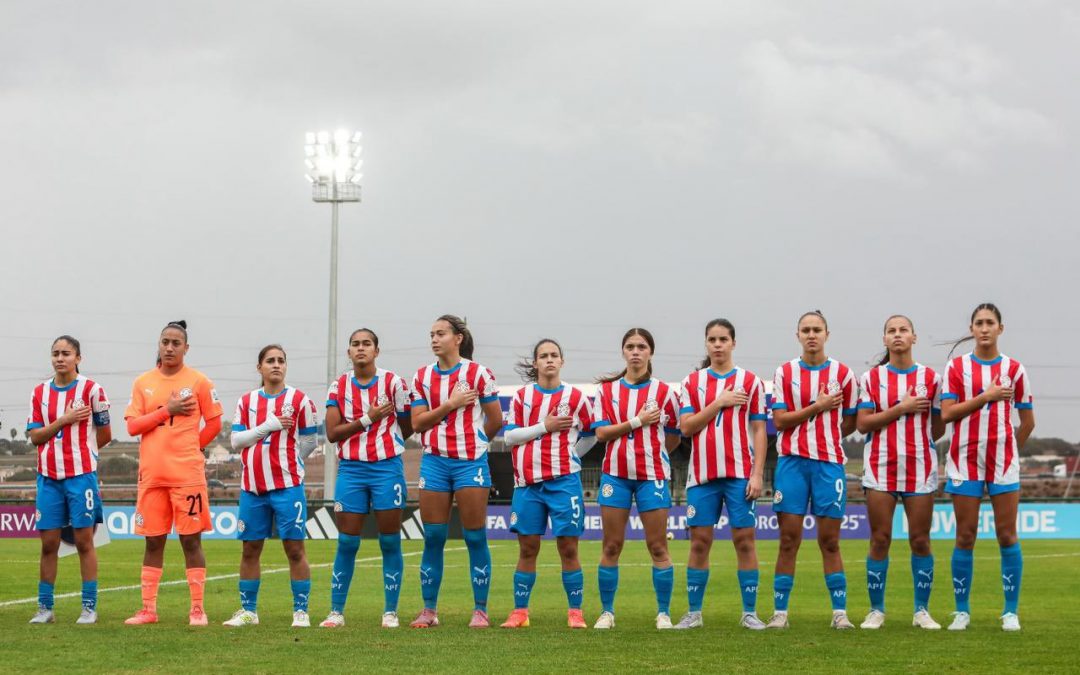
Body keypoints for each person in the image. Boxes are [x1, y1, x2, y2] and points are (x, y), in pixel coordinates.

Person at [940, 303, 1034, 632]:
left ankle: (1010, 612)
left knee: (1007, 535)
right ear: (971, 329)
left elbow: (1027, 422)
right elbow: (947, 415)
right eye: (978, 323)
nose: (983, 328)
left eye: (989, 323)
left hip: (1002, 463)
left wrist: (1008, 448)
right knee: (965, 536)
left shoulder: (1015, 370)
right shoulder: (956, 368)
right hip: (964, 460)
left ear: (1000, 329)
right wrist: (986, 396)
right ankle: (961, 611)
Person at [124, 320, 223, 626]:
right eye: (164, 342)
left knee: (191, 542)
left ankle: (197, 609)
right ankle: (148, 610)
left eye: (175, 343)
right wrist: (167, 410)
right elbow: (132, 426)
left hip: (186, 476)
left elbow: (215, 423)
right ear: (159, 344)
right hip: (152, 476)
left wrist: (195, 449)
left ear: (186, 348)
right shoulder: (143, 383)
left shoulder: (200, 382)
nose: (169, 347)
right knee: (153, 543)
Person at [408, 315, 503, 628]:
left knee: (474, 537)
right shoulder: (421, 376)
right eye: (431, 334)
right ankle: (429, 610)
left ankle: (480, 610)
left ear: (458, 338)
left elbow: (495, 420)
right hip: (435, 462)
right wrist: (450, 404)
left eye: (440, 333)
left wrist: (476, 443)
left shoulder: (478, 373)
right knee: (434, 537)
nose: (434, 339)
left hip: (469, 463)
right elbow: (417, 423)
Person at [674, 319, 768, 630]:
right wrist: (719, 402)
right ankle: (694, 614)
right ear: (706, 344)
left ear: (733, 343)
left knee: (744, 541)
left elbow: (759, 430)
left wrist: (757, 474)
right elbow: (686, 427)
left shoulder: (751, 381)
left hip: (740, 474)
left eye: (723, 339)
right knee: (699, 542)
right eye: (712, 339)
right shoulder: (692, 382)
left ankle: (749, 613)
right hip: (702, 476)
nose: (717, 344)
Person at [768, 310, 858, 630]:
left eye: (816, 330)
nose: (811, 335)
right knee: (789, 540)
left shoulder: (843, 374)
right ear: (797, 336)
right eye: (805, 330)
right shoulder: (784, 372)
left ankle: (839, 614)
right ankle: (780, 613)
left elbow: (849, 421)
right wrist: (817, 408)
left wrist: (826, 434)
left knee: (830, 541)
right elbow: (779, 421)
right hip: (792, 463)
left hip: (828, 465)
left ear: (827, 334)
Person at [499, 339, 596, 629]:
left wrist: (570, 457)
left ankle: (575, 612)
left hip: (564, 483)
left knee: (568, 547)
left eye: (554, 355)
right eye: (544, 356)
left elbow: (591, 435)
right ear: (535, 363)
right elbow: (509, 437)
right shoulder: (522, 397)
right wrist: (545, 426)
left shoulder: (576, 397)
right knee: (528, 548)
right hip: (527, 484)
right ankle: (520, 612)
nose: (549, 360)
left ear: (562, 362)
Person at [320, 328, 413, 629]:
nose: (361, 348)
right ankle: (336, 612)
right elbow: (333, 434)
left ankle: (390, 612)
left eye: (367, 344)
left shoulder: (394, 382)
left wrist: (388, 441)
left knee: (390, 542)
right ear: (348, 352)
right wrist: (368, 419)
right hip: (352, 470)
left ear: (376, 350)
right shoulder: (338, 386)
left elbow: (407, 424)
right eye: (355, 344)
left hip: (387, 467)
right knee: (347, 543)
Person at [856, 315, 945, 630]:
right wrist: (901, 409)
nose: (897, 335)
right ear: (884, 340)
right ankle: (876, 610)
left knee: (920, 540)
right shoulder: (871, 379)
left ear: (914, 337)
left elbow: (937, 426)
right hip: (880, 468)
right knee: (880, 539)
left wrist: (917, 442)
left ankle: (922, 611)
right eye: (891, 331)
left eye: (903, 330)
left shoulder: (931, 379)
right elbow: (862, 423)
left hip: (919, 469)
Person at [591, 328, 682, 630]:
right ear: (623, 352)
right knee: (612, 546)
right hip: (615, 476)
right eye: (629, 346)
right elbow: (602, 434)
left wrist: (654, 454)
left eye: (641, 346)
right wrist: (638, 422)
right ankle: (607, 612)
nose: (635, 351)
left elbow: (673, 437)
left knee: (657, 546)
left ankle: (664, 613)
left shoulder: (665, 392)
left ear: (650, 353)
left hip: (652, 476)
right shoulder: (607, 391)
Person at [224, 345, 319, 628]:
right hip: (252, 488)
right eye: (270, 361)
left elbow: (310, 441)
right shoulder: (247, 401)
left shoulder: (300, 400)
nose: (276, 365)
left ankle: (301, 611)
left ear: (286, 366)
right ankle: (248, 611)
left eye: (281, 361)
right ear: (259, 368)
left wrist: (291, 464)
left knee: (294, 549)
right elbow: (236, 441)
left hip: (287, 486)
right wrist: (270, 426)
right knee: (250, 549)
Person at [26, 336, 111, 625]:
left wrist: (85, 455)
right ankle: (45, 608)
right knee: (48, 543)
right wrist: (63, 421)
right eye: (55, 353)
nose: (60, 358)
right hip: (48, 478)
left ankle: (89, 607)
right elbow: (36, 436)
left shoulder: (92, 389)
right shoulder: (39, 393)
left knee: (83, 541)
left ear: (78, 358)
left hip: (80, 477)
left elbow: (106, 432)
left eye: (66, 353)